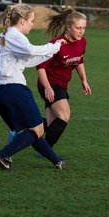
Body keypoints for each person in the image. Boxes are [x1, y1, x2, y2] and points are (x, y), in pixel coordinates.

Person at [0, 4, 66, 170]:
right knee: (37, 128)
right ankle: (3, 155)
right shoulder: (15, 35)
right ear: (23, 21)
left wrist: (51, 52)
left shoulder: (6, 35)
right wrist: (55, 46)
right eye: (32, 21)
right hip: (13, 89)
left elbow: (29, 61)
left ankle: (57, 160)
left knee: (29, 132)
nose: (33, 24)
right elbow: (31, 50)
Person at [37, 9, 92, 149]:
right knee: (64, 115)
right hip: (49, 84)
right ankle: (46, 150)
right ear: (68, 27)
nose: (82, 31)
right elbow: (40, 67)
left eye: (84, 28)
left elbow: (79, 60)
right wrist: (48, 88)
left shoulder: (82, 42)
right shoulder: (56, 44)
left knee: (51, 124)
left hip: (62, 85)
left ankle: (22, 131)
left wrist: (84, 80)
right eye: (78, 28)